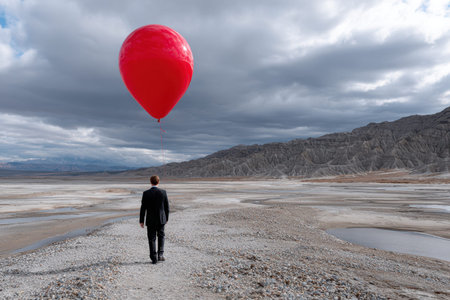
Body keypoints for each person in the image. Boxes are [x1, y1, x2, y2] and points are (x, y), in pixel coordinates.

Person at [139, 175, 170, 264]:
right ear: (158, 182)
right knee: (161, 236)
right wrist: (166, 218)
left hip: (150, 219)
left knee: (151, 238)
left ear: (150, 182)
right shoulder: (163, 192)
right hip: (161, 219)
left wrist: (141, 220)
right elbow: (167, 207)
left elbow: (143, 208)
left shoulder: (146, 193)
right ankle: (160, 255)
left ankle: (153, 258)